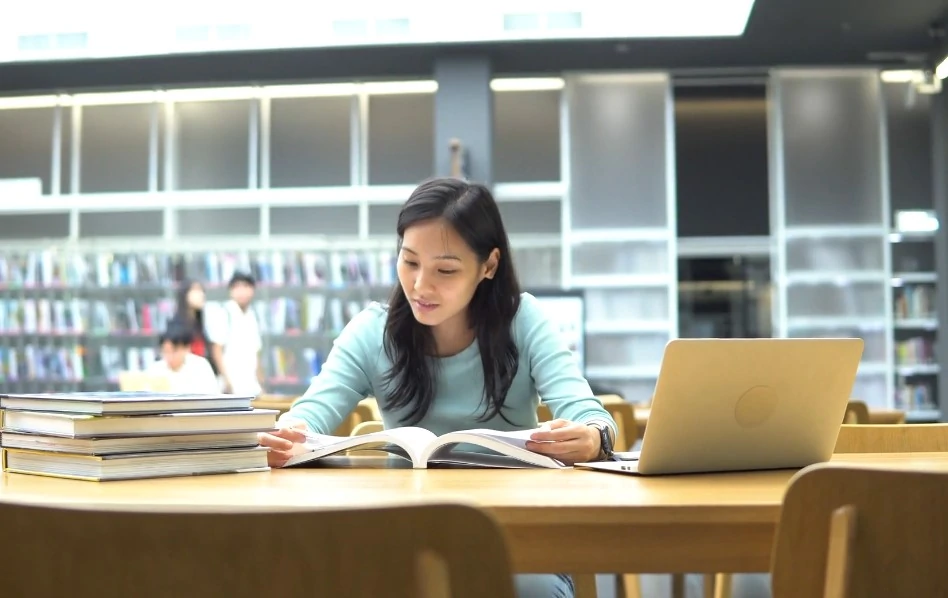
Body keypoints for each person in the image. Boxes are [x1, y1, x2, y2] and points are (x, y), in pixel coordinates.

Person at [258, 177, 617, 598]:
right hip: (404, 537)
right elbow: (310, 413)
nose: (421, 286)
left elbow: (590, 414)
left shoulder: (524, 321)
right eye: (410, 262)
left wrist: (593, 437)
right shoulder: (373, 332)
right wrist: (290, 434)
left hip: (517, 539)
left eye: (445, 270)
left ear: (489, 265)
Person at [207, 272, 264, 396]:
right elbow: (217, 349)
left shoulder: (252, 314)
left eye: (245, 286)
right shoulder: (224, 312)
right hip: (231, 386)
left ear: (252, 290)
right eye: (237, 287)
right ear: (231, 291)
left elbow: (256, 352)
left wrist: (261, 382)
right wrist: (227, 380)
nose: (241, 291)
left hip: (251, 385)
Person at [146, 322, 220, 394]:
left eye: (174, 351)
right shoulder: (155, 369)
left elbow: (212, 397)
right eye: (165, 351)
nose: (169, 356)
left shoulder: (201, 367)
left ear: (187, 348)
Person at [172, 279, 215, 368]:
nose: (201, 295)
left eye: (202, 291)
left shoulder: (199, 325)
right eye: (196, 290)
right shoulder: (177, 326)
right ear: (185, 294)